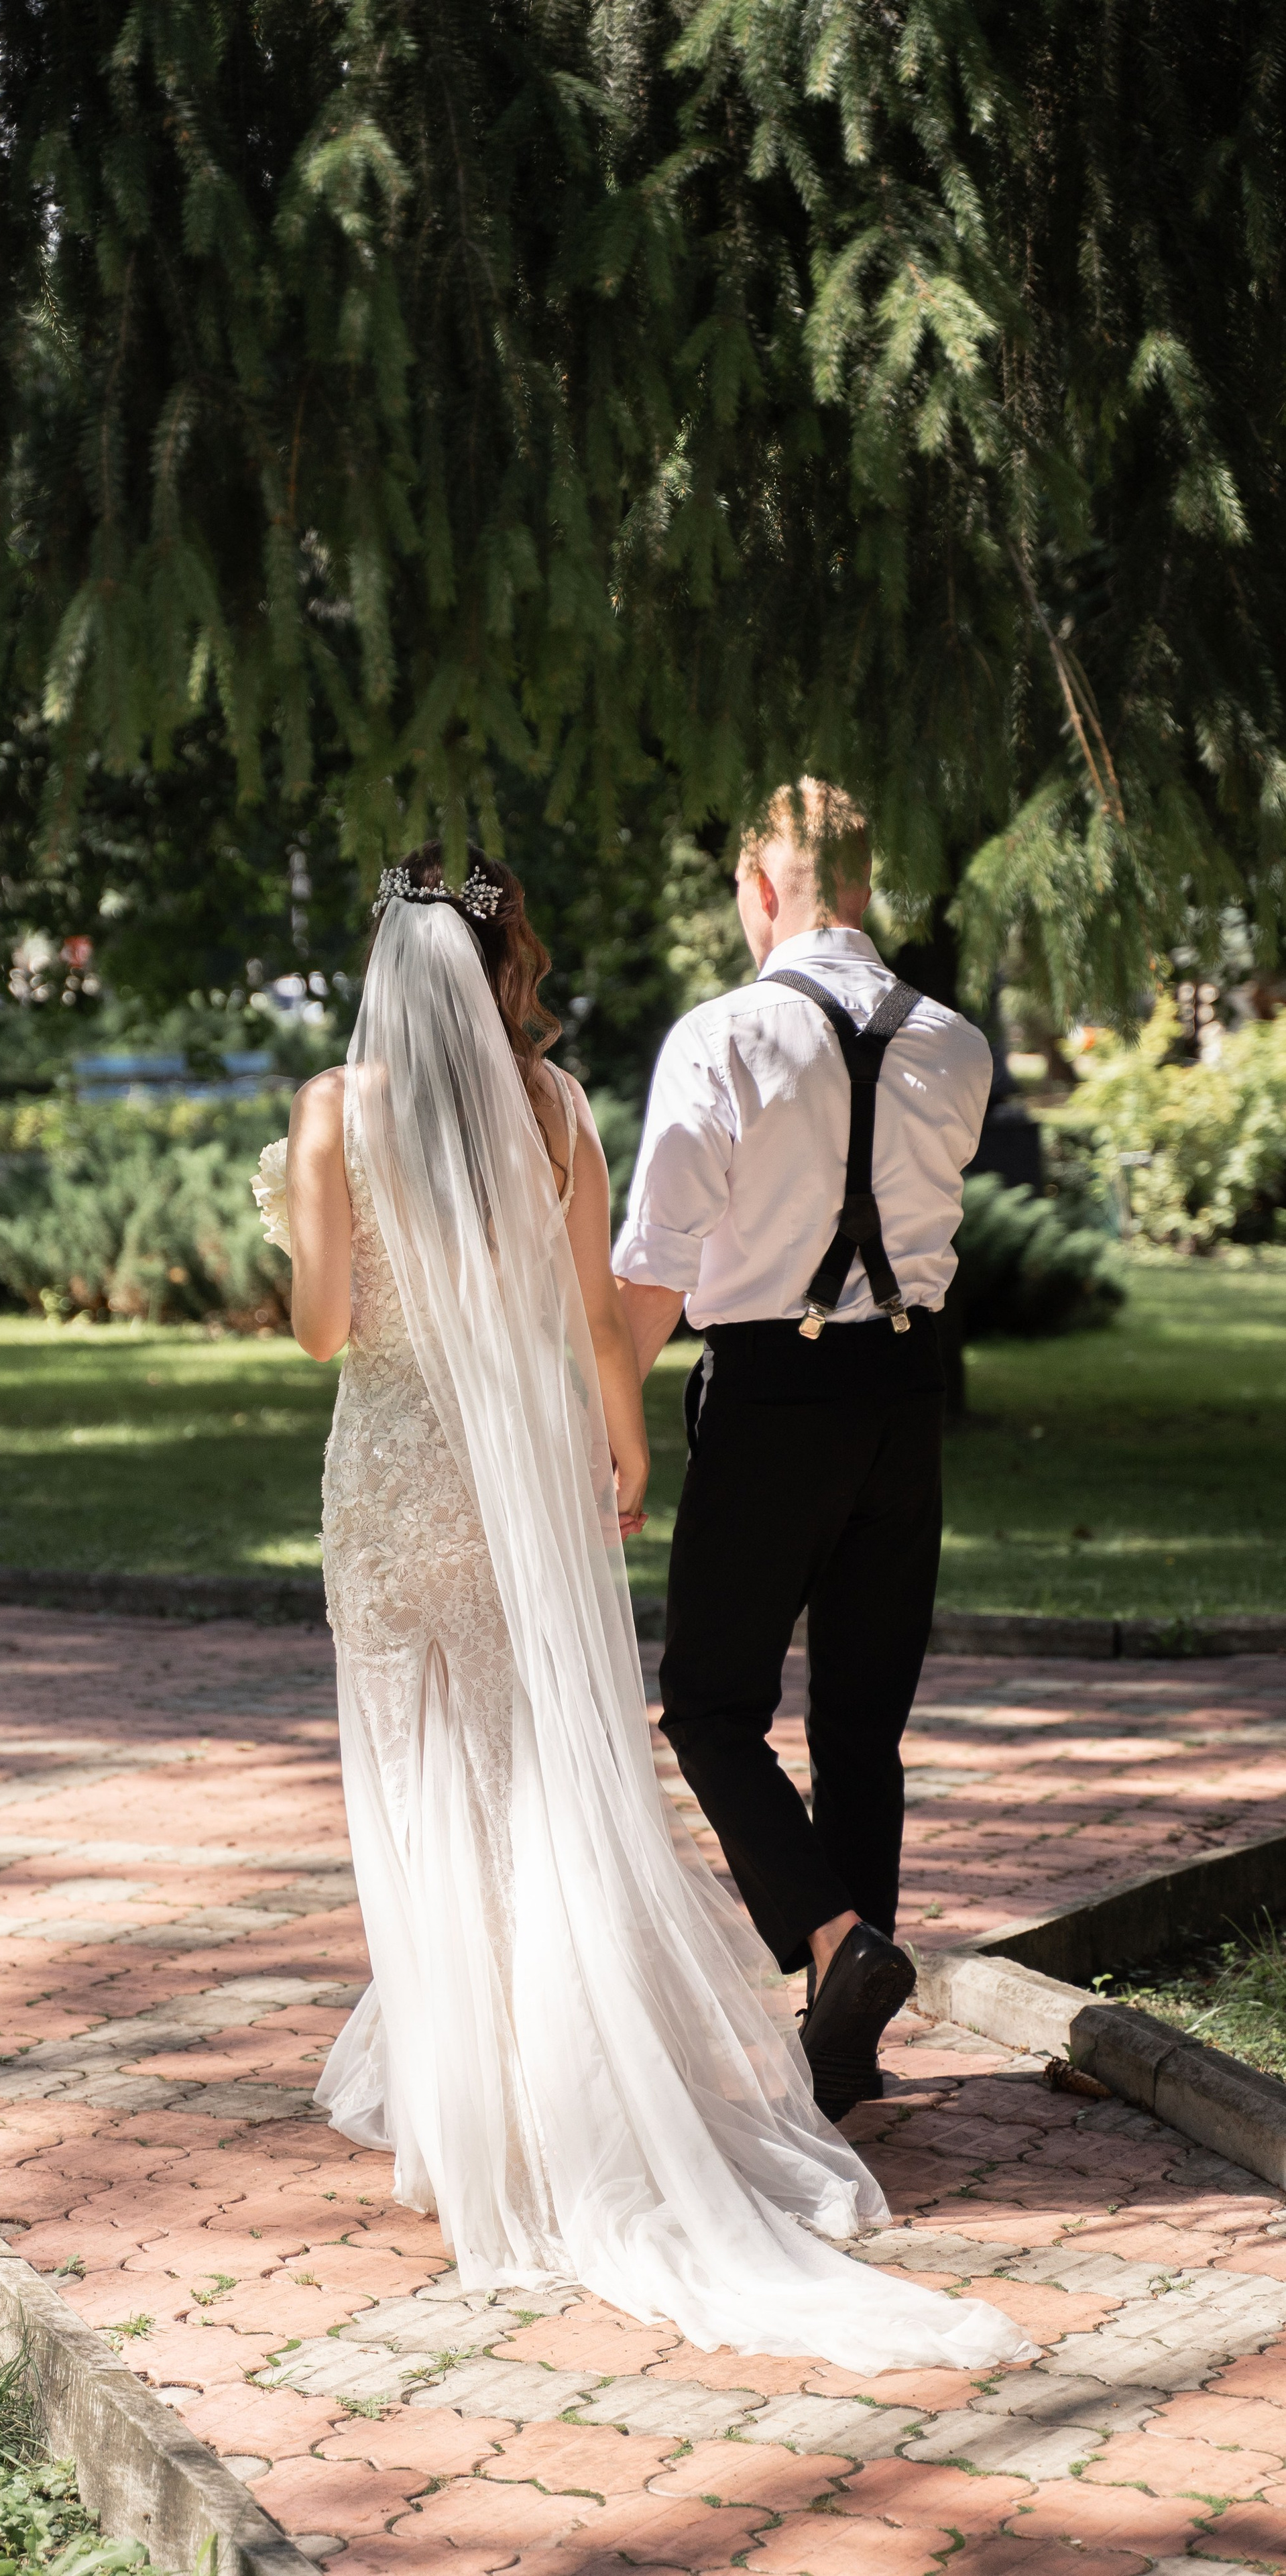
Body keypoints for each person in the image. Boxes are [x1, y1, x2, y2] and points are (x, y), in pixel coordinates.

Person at [258, 844, 1025, 2370]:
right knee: (532, 1761)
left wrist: (295, 1228)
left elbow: (319, 1327)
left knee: (419, 1763)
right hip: (524, 1470)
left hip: (395, 1464)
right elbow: (596, 1314)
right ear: (501, 963)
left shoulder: (334, 1113)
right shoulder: (551, 1111)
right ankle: (564, 2061)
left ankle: (468, 2088)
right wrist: (619, 1443)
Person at [613, 782, 992, 2123]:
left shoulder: (721, 1035)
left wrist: (602, 1411)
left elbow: (653, 1268)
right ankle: (848, 2046)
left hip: (773, 1391)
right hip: (903, 1395)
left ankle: (839, 1942)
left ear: (757, 888)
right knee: (859, 1723)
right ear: (862, 886)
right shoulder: (956, 1043)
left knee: (711, 1704)